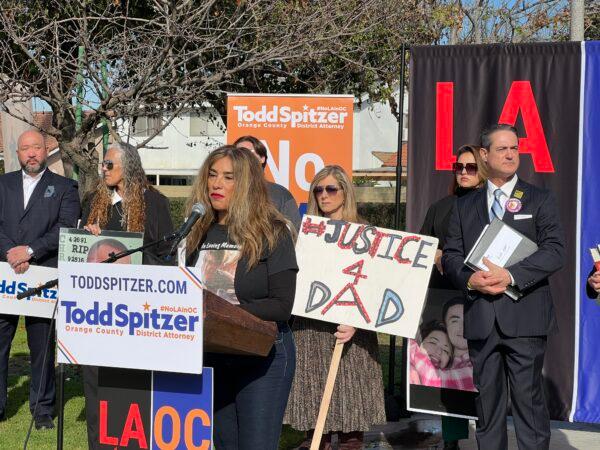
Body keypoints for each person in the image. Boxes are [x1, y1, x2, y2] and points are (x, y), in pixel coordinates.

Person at [442, 124, 565, 450]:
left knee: (528, 403)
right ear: (484, 155)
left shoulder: (539, 198)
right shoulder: (463, 206)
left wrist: (510, 275)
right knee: (487, 408)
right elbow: (451, 256)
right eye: (502, 149)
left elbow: (555, 251)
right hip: (482, 319)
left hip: (525, 317)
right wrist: (469, 278)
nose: (511, 154)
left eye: (515, 148)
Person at [185, 145, 297, 450]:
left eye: (228, 177)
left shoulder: (274, 232)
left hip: (263, 358)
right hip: (213, 357)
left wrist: (224, 311)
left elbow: (282, 304)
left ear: (246, 183)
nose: (216, 184)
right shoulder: (196, 231)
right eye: (212, 175)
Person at [284, 165, 385, 450]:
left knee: (352, 418)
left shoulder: (366, 235)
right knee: (316, 423)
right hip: (311, 332)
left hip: (355, 334)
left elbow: (376, 287)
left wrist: (356, 323)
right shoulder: (305, 235)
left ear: (345, 192)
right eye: (318, 190)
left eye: (330, 189)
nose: (323, 195)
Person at [81, 142, 174, 449]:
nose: (103, 170)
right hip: (98, 312)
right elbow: (79, 251)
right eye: (102, 165)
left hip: (136, 313)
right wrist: (86, 237)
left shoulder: (154, 202)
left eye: (109, 164)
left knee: (133, 386)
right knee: (96, 385)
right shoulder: (94, 201)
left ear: (128, 166)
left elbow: (166, 255)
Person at [0, 130, 80, 429]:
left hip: (43, 275)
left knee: (41, 347)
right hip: (4, 275)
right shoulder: (2, 184)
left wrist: (30, 251)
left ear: (46, 150)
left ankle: (42, 408)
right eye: (25, 149)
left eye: (36, 147)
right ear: (18, 153)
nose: (31, 153)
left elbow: (66, 226)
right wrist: (11, 252)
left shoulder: (65, 187)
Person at [420, 144, 486, 449]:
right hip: (446, 298)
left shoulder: (493, 206)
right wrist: (433, 252)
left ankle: (488, 434)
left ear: (483, 171)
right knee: (451, 375)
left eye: (470, 168)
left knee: (484, 372)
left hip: (486, 299)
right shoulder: (440, 207)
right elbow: (422, 246)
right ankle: (452, 441)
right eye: (458, 167)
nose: (463, 172)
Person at [234, 135, 302, 231]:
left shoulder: (280, 194)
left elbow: (294, 232)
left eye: (248, 153)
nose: (244, 158)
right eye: (238, 154)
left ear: (262, 158)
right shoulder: (226, 191)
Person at [409, 321, 453, 387]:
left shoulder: (454, 379)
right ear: (420, 342)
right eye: (433, 343)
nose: (439, 352)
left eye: (446, 351)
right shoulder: (409, 370)